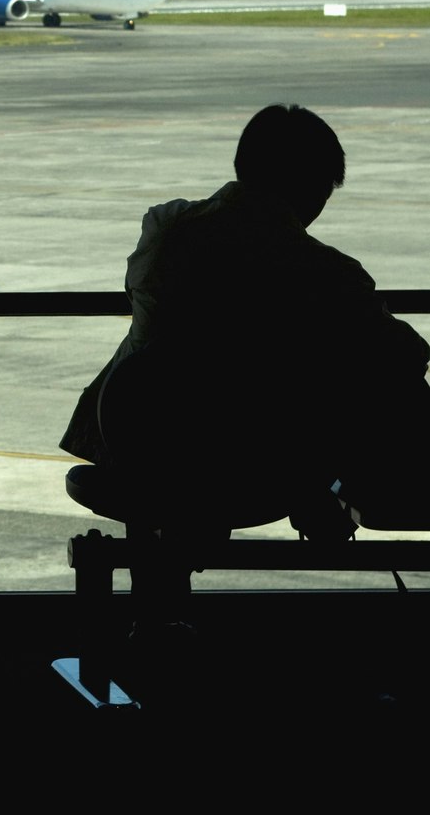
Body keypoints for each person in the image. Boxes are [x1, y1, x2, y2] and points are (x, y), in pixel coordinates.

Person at [61, 103, 430, 528]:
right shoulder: (324, 273)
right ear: (313, 189)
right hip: (252, 467)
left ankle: (160, 580)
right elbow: (405, 356)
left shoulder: (163, 231)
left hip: (139, 448)